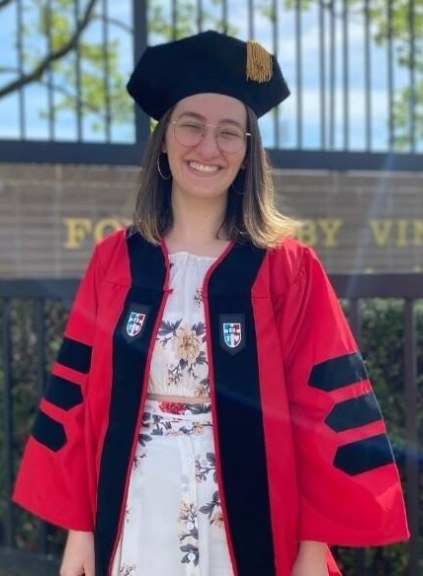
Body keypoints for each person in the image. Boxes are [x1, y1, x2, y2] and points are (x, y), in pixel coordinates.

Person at [13, 31, 409, 576]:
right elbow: (79, 398)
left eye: (230, 133)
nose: (208, 148)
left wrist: (313, 548)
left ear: (248, 153)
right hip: (133, 511)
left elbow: (325, 413)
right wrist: (81, 531)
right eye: (191, 125)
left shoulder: (288, 269)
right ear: (164, 140)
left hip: (249, 516)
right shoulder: (115, 261)